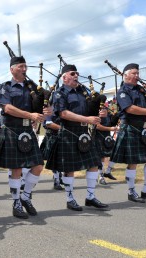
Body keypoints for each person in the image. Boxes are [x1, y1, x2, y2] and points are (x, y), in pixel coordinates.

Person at [0, 55, 51, 219]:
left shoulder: (31, 88)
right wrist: (30, 115)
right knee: (16, 168)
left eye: (25, 66)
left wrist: (46, 111)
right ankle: (16, 201)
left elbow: (40, 107)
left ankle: (26, 196)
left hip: (27, 129)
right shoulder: (6, 87)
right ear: (12, 69)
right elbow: (8, 108)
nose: (24, 69)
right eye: (20, 66)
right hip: (12, 128)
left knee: (38, 165)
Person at [46, 64, 108, 211]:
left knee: (94, 163)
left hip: (84, 131)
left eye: (77, 73)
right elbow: (63, 113)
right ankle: (70, 199)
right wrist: (87, 120)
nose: (76, 76)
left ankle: (90, 197)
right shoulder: (59, 93)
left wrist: (102, 111)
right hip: (68, 131)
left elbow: (92, 108)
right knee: (70, 168)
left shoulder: (83, 92)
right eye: (72, 73)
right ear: (64, 77)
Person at [110, 63, 146, 203]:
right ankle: (131, 191)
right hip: (130, 128)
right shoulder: (123, 91)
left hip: (142, 129)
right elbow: (129, 109)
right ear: (126, 75)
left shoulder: (140, 90)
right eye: (134, 73)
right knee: (133, 162)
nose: (137, 76)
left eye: (137, 73)